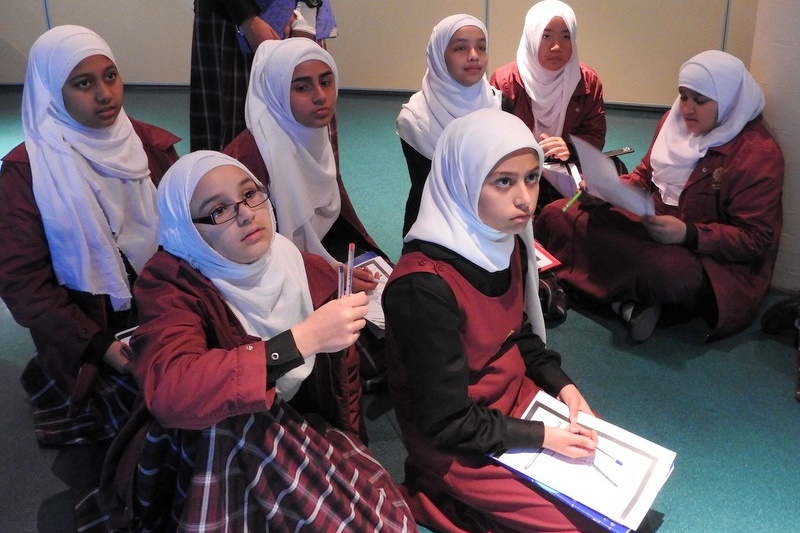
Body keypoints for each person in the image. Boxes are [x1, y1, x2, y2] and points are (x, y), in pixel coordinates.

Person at [74, 151, 416, 532]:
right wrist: (299, 341)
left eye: (250, 194)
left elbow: (343, 377)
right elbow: (173, 391)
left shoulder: (291, 260)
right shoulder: (169, 282)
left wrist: (352, 444)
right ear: (187, 228)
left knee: (381, 514)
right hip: (203, 445)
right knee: (236, 420)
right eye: (217, 210)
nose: (245, 214)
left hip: (294, 421)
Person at [383, 108, 602, 533]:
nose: (525, 199)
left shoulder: (509, 240)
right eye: (504, 181)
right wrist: (542, 436)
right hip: (456, 437)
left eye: (532, 177)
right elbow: (444, 421)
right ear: (462, 182)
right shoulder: (423, 287)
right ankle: (431, 495)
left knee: (606, 506)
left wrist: (564, 386)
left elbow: (518, 336)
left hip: (516, 400)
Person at [0, 25, 180, 446]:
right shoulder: (27, 173)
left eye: (110, 76)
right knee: (161, 420)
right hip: (94, 325)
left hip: (166, 300)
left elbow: (191, 230)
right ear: (51, 93)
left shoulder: (150, 145)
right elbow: (24, 286)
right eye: (83, 83)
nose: (105, 94)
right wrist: (98, 345)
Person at [534, 50, 784, 343]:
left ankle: (582, 286)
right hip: (653, 223)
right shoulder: (672, 120)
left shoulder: (757, 154)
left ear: (729, 100)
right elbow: (643, 176)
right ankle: (625, 303)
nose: (687, 108)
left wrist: (688, 234)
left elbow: (755, 240)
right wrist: (607, 191)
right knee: (556, 214)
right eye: (684, 96)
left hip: (702, 253)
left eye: (700, 100)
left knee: (666, 271)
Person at [225, 37, 382, 287]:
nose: (321, 97)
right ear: (275, 92)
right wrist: (329, 276)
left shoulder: (311, 131)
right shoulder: (247, 159)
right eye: (301, 88)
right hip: (268, 271)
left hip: (320, 247)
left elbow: (337, 213)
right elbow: (248, 253)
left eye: (326, 82)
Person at [396, 14, 509, 236]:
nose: (474, 56)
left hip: (494, 219)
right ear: (439, 55)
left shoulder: (500, 104)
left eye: (481, 47)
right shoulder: (414, 117)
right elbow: (430, 190)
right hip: (436, 224)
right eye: (460, 48)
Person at [490, 0, 606, 207]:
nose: (556, 47)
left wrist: (570, 147)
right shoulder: (504, 82)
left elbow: (595, 135)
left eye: (566, 36)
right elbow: (492, 141)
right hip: (518, 172)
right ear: (531, 36)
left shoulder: (587, 81)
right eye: (546, 36)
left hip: (565, 172)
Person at [190, 0, 336, 152]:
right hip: (233, 16)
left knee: (309, 107)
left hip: (300, 10)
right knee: (240, 134)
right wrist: (247, 19)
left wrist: (305, 16)